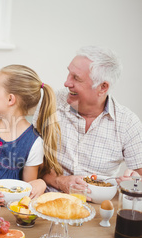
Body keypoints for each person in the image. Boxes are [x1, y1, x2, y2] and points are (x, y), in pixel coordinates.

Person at [40, 46, 142, 194]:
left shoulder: (128, 123)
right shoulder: (51, 103)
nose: (66, 83)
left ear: (103, 87)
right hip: (49, 199)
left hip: (98, 207)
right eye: (69, 73)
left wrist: (133, 181)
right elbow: (30, 162)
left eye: (76, 78)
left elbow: (139, 176)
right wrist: (59, 181)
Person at [0, 65, 61, 202]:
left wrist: (40, 183)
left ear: (10, 99)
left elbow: (26, 192)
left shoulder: (34, 143)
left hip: (6, 212)